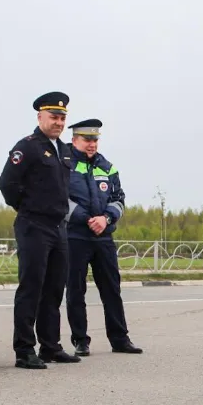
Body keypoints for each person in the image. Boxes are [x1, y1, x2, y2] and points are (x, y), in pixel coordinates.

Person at [0, 91, 81, 369]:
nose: (58, 122)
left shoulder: (65, 151)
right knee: (31, 288)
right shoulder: (29, 146)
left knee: (54, 289)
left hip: (59, 229)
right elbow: (7, 184)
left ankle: (51, 346)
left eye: (62, 117)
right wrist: (28, 208)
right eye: (53, 117)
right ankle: (24, 349)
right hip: (34, 225)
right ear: (40, 117)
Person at [63, 118, 143, 357]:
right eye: (87, 139)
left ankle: (119, 339)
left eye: (95, 140)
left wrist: (106, 219)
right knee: (75, 290)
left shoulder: (107, 167)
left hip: (103, 237)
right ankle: (80, 340)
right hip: (75, 236)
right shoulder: (63, 165)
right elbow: (58, 198)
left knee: (111, 289)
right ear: (75, 139)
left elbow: (119, 199)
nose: (92, 144)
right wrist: (85, 217)